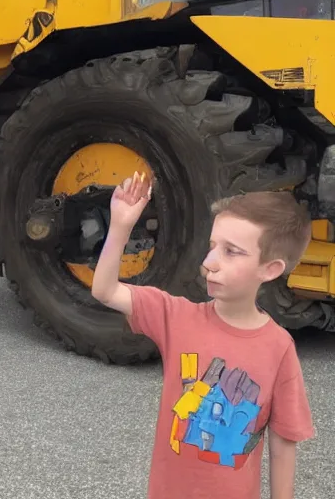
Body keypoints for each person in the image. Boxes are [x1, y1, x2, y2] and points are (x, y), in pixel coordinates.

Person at [91, 172, 315, 499]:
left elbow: (283, 442)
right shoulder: (176, 316)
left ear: (270, 269)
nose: (210, 263)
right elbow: (105, 291)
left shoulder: (279, 348)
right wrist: (121, 226)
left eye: (231, 251)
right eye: (212, 247)